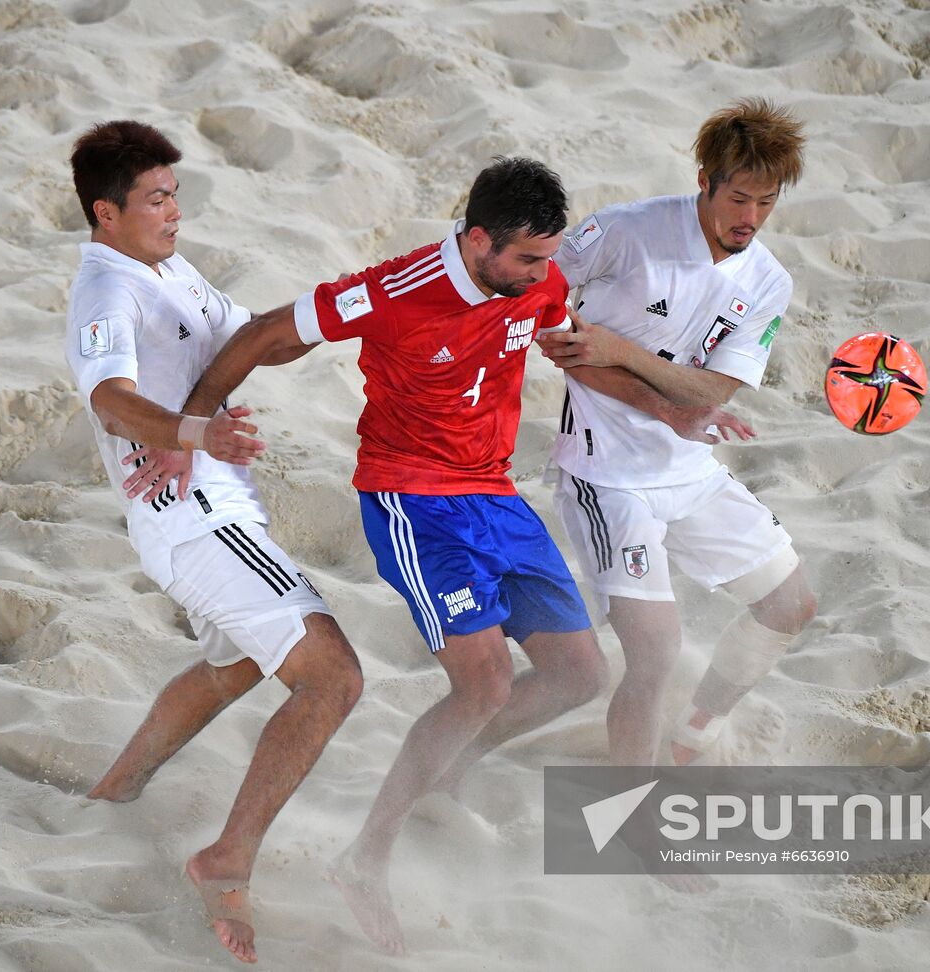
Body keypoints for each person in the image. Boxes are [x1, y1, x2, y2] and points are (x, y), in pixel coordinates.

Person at [179, 157, 610, 955]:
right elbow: (270, 334)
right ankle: (366, 856)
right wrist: (195, 423)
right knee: (480, 682)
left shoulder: (535, 281)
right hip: (414, 502)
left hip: (498, 497)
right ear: (477, 239)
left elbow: (556, 325)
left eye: (549, 259)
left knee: (581, 675)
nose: (543, 274)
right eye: (527, 259)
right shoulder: (398, 290)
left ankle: (440, 771)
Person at [63, 120, 363, 965]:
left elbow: (252, 338)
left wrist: (354, 306)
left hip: (219, 513)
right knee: (332, 677)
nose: (174, 211)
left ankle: (116, 788)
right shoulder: (107, 293)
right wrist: (196, 431)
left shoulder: (164, 269)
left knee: (232, 665)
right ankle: (224, 861)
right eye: (157, 198)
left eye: (176, 195)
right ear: (106, 212)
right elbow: (112, 401)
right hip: (195, 523)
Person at [538, 98, 818, 769]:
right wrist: (658, 398)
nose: (749, 219)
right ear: (705, 179)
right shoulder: (625, 233)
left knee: (791, 602)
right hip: (606, 479)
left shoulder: (767, 282)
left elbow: (710, 392)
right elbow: (548, 323)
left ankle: (694, 733)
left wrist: (620, 351)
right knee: (655, 654)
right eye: (739, 197)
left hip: (689, 472)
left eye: (767, 203)